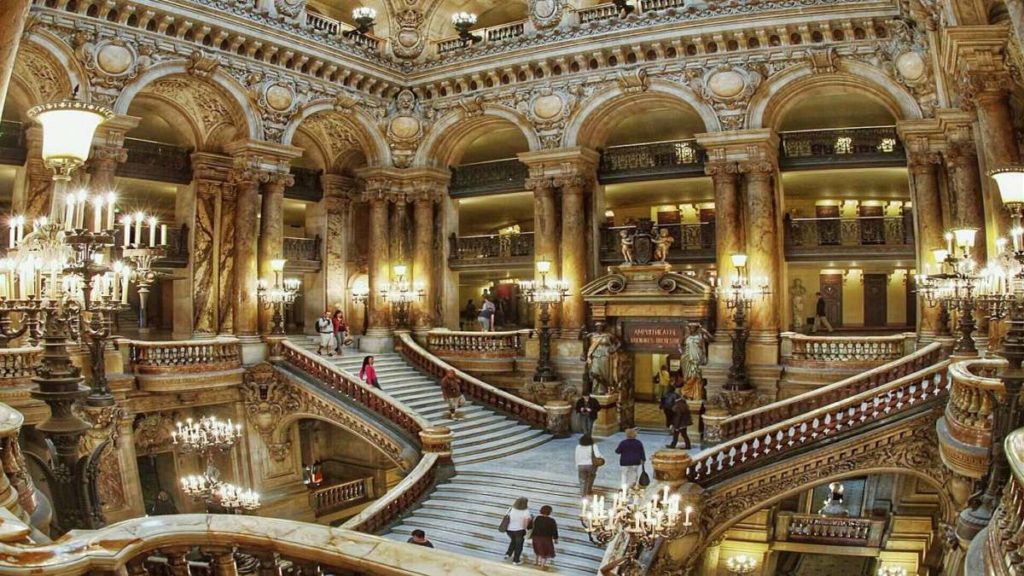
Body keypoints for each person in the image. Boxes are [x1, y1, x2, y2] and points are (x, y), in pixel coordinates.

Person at [503, 497, 533, 565]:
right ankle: (516, 560)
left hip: (509, 530)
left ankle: (508, 554)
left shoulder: (511, 509)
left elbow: (507, 517)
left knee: (513, 541)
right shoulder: (526, 512)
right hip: (519, 531)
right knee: (519, 546)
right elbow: (525, 525)